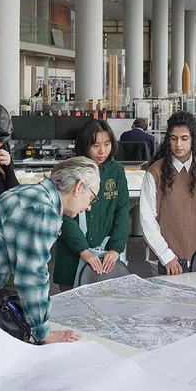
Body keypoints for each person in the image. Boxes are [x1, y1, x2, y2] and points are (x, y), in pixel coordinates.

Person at [0, 157, 101, 344]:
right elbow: (32, 276)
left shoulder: (31, 192)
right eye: (91, 198)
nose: (88, 207)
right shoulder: (42, 209)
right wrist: (43, 332)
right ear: (78, 187)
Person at [140, 111, 196, 275]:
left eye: (184, 138)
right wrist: (166, 255)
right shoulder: (155, 172)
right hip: (167, 260)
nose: (178, 144)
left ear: (192, 140)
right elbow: (147, 218)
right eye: (173, 138)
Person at [54, 120, 129, 290]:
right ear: (85, 145)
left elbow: (122, 211)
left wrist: (116, 248)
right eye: (96, 145)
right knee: (71, 306)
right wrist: (83, 250)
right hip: (74, 253)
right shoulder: (71, 170)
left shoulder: (116, 171)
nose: (102, 151)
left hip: (107, 253)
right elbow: (64, 215)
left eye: (107, 144)